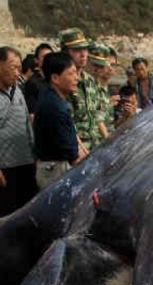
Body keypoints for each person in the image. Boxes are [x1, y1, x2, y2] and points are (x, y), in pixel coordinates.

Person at [33, 51, 82, 188]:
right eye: (71, 74)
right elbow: (70, 152)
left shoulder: (53, 98)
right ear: (55, 78)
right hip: (56, 170)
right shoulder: (54, 107)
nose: (76, 78)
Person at [0, 46, 37, 216]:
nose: (17, 73)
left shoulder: (19, 92)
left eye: (19, 68)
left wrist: (35, 154)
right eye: (13, 67)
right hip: (4, 168)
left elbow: (27, 125)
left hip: (26, 163)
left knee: (26, 212)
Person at [59, 28, 100, 155]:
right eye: (77, 50)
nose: (83, 54)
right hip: (75, 153)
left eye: (85, 49)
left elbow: (97, 116)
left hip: (95, 149)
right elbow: (66, 124)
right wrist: (82, 151)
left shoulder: (90, 81)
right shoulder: (61, 84)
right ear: (66, 52)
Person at [23, 42, 53, 120]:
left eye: (50, 56)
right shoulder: (32, 83)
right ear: (36, 60)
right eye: (44, 57)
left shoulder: (56, 79)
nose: (48, 59)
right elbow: (32, 114)